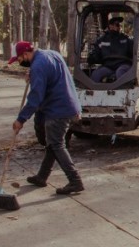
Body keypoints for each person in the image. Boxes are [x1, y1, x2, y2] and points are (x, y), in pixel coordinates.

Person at [9, 41, 84, 194]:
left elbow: (36, 97)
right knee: (52, 143)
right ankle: (42, 176)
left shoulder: (38, 66)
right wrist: (33, 76)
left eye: (20, 60)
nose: (20, 63)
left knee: (57, 145)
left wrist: (21, 119)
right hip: (69, 105)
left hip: (58, 110)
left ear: (25, 54)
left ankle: (75, 181)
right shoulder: (52, 54)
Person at [89, 15, 134, 82]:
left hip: (123, 65)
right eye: (117, 24)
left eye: (119, 25)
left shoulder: (126, 39)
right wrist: (91, 58)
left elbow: (133, 52)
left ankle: (123, 91)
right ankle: (95, 91)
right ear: (110, 26)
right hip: (108, 66)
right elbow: (96, 55)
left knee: (120, 71)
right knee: (96, 74)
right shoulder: (102, 40)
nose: (119, 27)